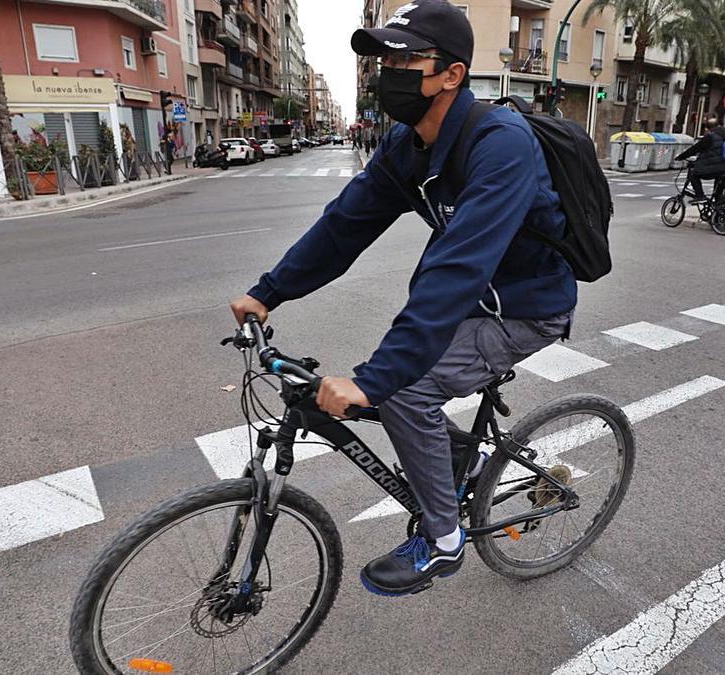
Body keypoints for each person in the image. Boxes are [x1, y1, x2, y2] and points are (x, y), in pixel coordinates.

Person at [228, 0, 574, 597]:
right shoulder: (405, 144)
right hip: (474, 298)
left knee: (403, 386)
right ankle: (455, 457)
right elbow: (346, 225)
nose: (391, 68)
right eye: (386, 57)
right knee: (398, 382)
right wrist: (269, 292)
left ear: (452, 74)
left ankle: (443, 541)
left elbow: (459, 265)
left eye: (408, 56)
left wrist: (380, 377)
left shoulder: (502, 144)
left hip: (523, 306)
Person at [675, 118, 725, 205]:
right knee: (718, 195)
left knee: (693, 175)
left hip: (717, 168)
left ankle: (700, 196)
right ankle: (718, 213)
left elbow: (695, 149)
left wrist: (680, 157)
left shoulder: (710, 137)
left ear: (707, 128)